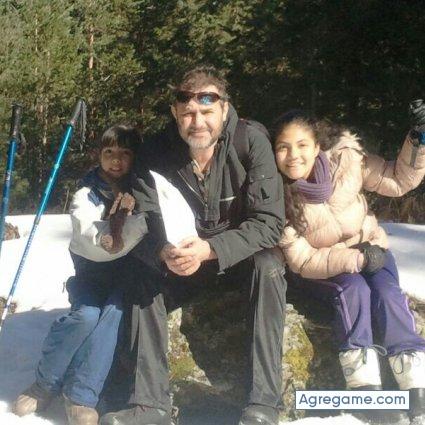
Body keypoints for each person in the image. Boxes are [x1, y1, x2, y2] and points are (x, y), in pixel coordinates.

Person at [100, 66, 287, 425]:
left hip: (237, 259)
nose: (197, 122)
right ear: (175, 113)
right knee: (141, 273)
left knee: (269, 264)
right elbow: (143, 220)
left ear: (224, 109)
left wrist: (210, 249)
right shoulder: (156, 152)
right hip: (181, 261)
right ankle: (150, 405)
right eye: (187, 113)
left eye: (206, 111)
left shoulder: (251, 141)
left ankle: (264, 403)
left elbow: (268, 223)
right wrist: (161, 251)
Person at [272, 106, 425, 424]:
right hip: (323, 268)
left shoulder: (346, 161)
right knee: (354, 290)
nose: (293, 155)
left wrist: (418, 140)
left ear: (317, 145)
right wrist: (356, 259)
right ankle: (365, 392)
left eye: (302, 145)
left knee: (388, 294)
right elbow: (302, 259)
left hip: (372, 249)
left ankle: (415, 387)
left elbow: (397, 180)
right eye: (283, 147)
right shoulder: (275, 194)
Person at [12, 125, 146, 425]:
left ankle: (82, 395)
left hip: (124, 279)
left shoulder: (141, 191)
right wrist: (112, 236)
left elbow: (147, 223)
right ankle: (45, 383)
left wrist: (130, 227)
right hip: (90, 277)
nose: (116, 160)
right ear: (98, 155)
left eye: (125, 153)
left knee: (113, 315)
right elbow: (87, 234)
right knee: (85, 316)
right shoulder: (87, 192)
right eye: (109, 152)